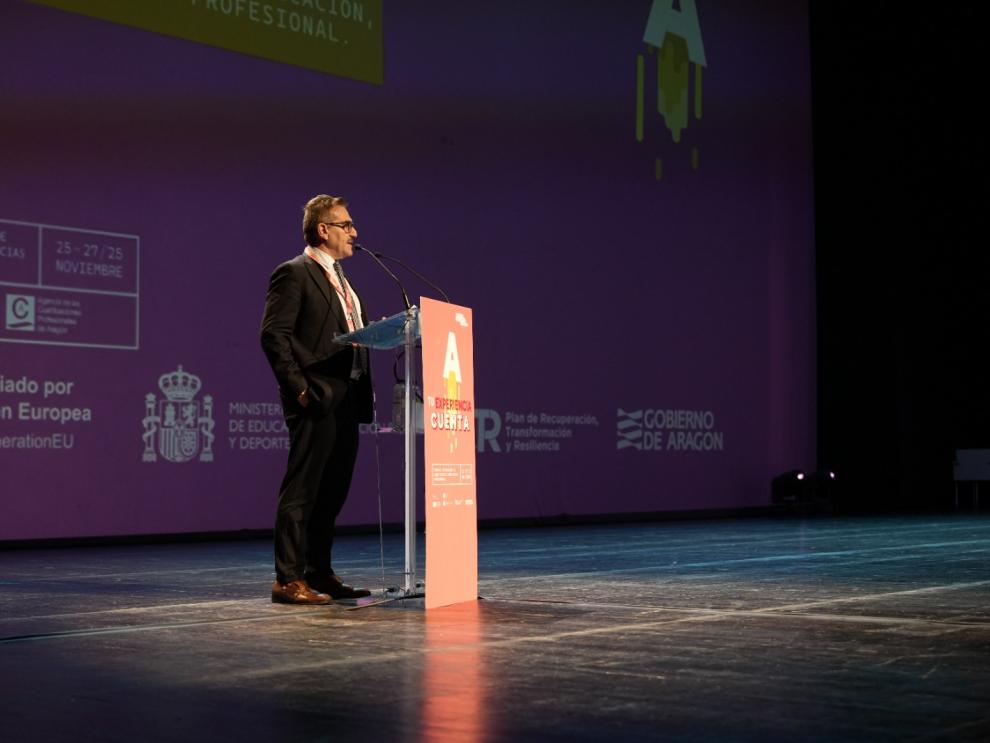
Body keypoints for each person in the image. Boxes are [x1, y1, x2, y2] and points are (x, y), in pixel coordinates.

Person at [260, 194, 374, 604]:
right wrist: (300, 388)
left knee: (333, 492)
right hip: (315, 397)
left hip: (347, 398)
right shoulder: (294, 273)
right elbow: (274, 335)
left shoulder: (342, 279)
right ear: (323, 229)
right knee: (304, 490)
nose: (355, 232)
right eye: (346, 224)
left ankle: (318, 572)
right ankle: (288, 579)